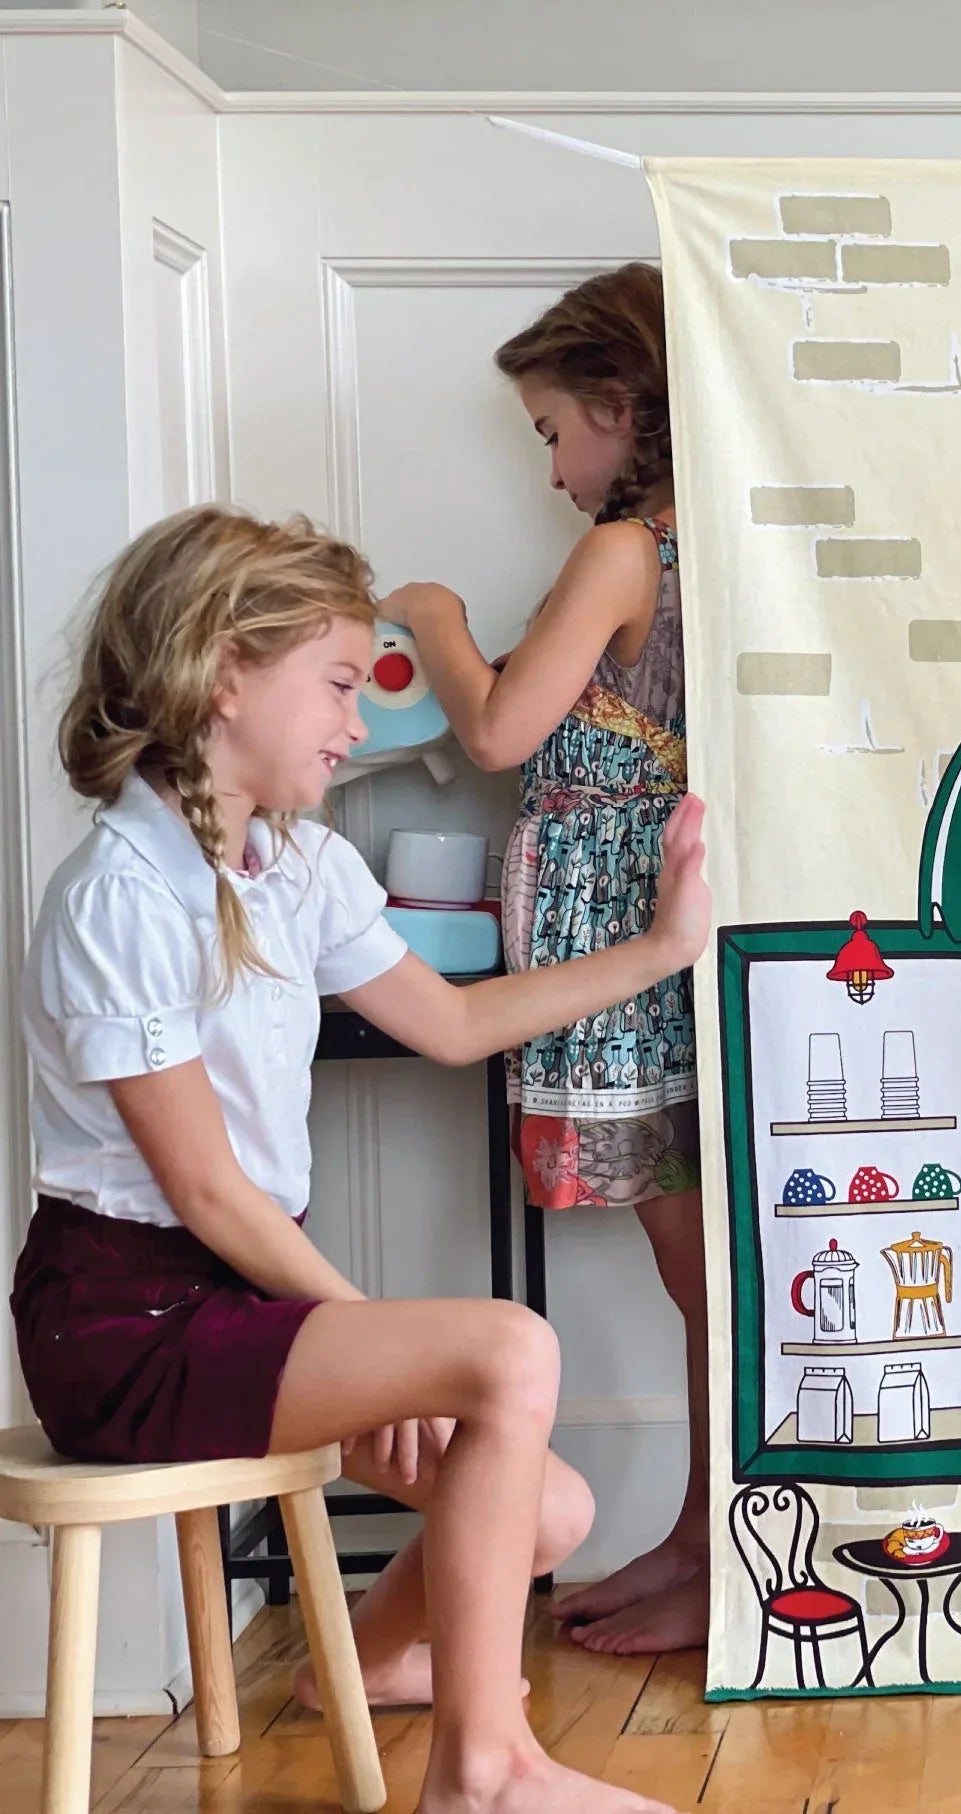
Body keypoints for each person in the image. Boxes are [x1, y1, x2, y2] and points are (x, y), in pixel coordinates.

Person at [12, 504, 708, 1814]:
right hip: (127, 1317)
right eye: (339, 682)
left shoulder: (299, 866)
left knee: (542, 1511)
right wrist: (363, 1327)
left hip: (241, 1296)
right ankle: (482, 1769)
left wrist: (657, 952)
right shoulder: (119, 894)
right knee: (507, 1348)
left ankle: (360, 1673)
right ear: (223, 674)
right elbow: (207, 1189)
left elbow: (449, 1023)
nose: (359, 719)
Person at [383, 263, 706, 1656]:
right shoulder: (698, 549)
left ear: (621, 407)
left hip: (634, 957)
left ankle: (719, 1552)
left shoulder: (628, 550)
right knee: (696, 1267)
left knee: (701, 1270)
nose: (553, 467)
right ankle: (701, 1538)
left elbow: (504, 731)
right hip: (657, 946)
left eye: (552, 432)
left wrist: (437, 620)